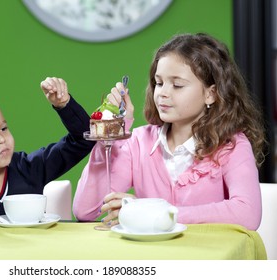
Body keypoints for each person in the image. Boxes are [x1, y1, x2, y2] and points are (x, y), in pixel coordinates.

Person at [73, 33, 266, 231]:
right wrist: (112, 133)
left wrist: (156, 211)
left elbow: (247, 213)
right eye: (159, 83)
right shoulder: (138, 142)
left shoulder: (232, 146)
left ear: (211, 94)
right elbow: (87, 211)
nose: (163, 93)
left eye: (177, 85)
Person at [0, 77, 95, 227]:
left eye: (3, 129)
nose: (1, 139)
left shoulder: (29, 168)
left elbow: (84, 139)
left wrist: (64, 105)